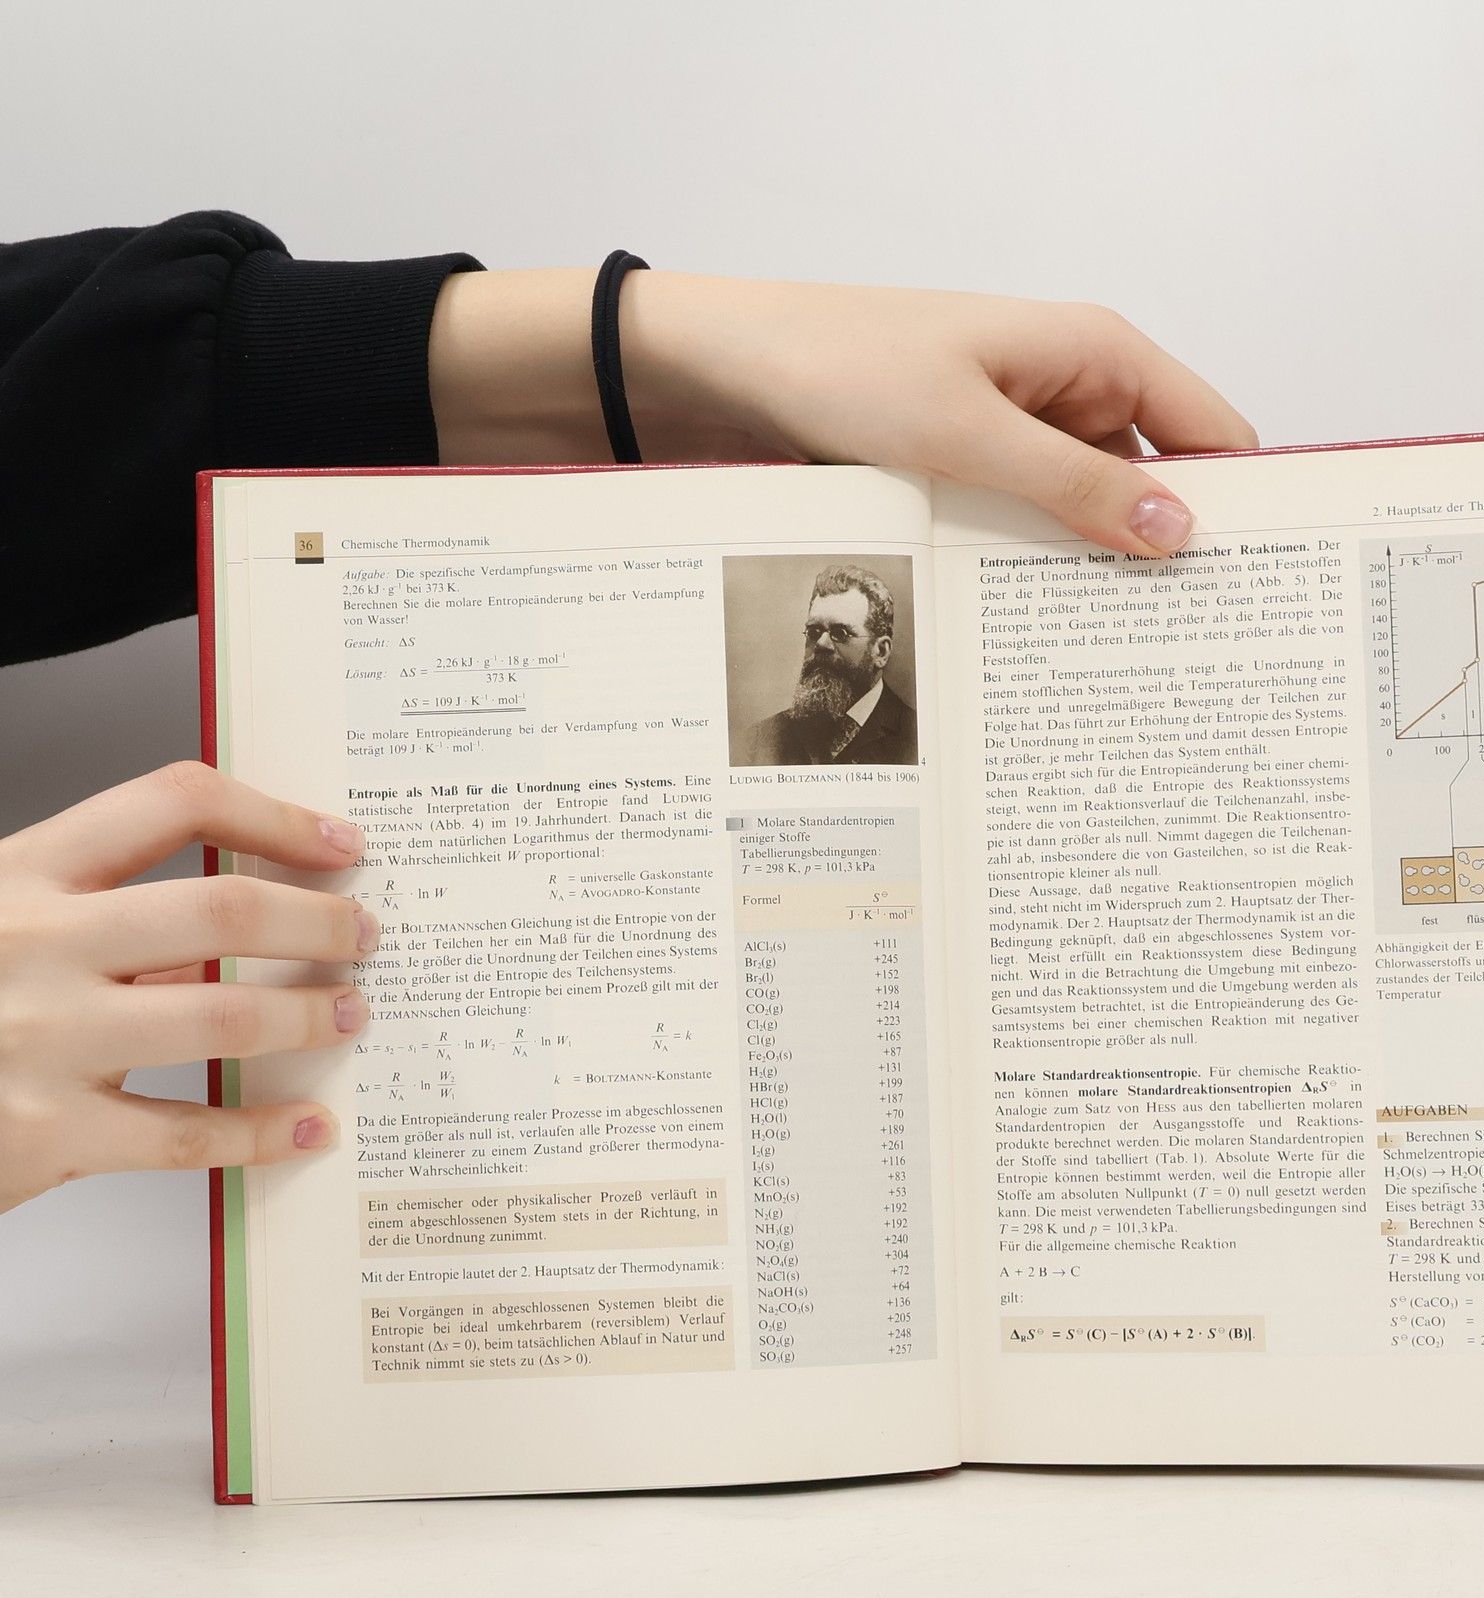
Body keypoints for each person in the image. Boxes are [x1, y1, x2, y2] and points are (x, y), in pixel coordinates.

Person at [0, 210, 1256, 1214]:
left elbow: (61, 409)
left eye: (837, 634)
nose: (816, 648)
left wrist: (681, 348)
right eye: (810, 630)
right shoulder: (774, 736)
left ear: (881, 646)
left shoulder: (903, 726)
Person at [736, 563, 917, 768]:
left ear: (881, 651)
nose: (821, 644)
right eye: (814, 632)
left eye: (840, 633)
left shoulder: (916, 737)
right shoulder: (761, 742)